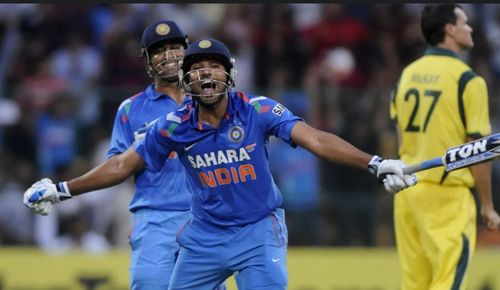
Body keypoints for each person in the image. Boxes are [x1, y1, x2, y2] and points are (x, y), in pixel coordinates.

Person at [24, 38, 417, 290]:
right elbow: (122, 165)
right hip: (204, 240)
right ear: (188, 79)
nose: (205, 72)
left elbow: (315, 139)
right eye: (196, 67)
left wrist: (375, 163)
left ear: (229, 74)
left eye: (213, 65)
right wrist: (61, 191)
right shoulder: (173, 126)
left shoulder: (258, 109)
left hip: (256, 232)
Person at [25, 20, 227, 290]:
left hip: (207, 221)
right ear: (146, 59)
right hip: (156, 220)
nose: (168, 56)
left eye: (175, 47)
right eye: (159, 50)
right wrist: (61, 190)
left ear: (187, 51)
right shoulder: (131, 109)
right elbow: (118, 166)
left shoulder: (214, 99)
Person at [390, 4, 500, 290]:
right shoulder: (468, 80)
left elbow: (401, 137)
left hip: (408, 193)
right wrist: (487, 206)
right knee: (447, 282)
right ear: (450, 29)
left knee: (414, 284)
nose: (470, 28)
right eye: (464, 22)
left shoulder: (406, 75)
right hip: (447, 196)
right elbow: (479, 150)